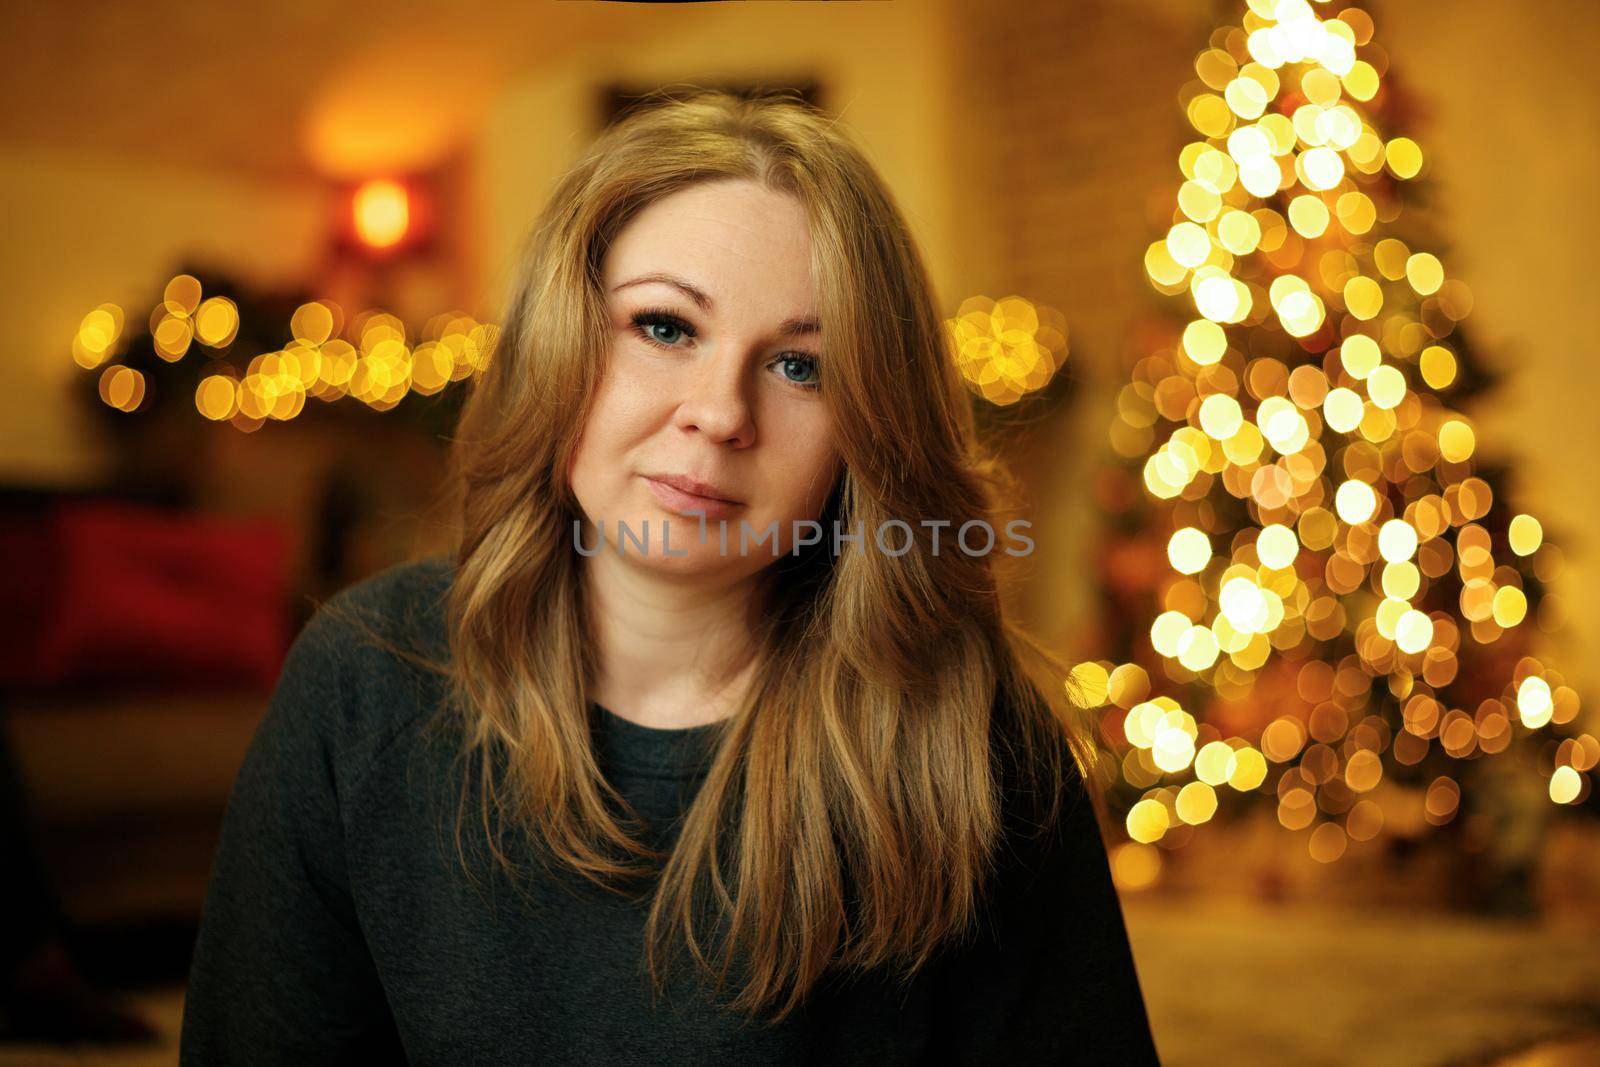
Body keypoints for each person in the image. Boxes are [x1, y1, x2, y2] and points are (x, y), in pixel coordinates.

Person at [180, 88, 1161, 1064]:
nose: (718, 412)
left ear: (866, 429)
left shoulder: (978, 741)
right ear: (561, 341)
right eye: (663, 327)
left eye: (799, 367)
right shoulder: (362, 679)